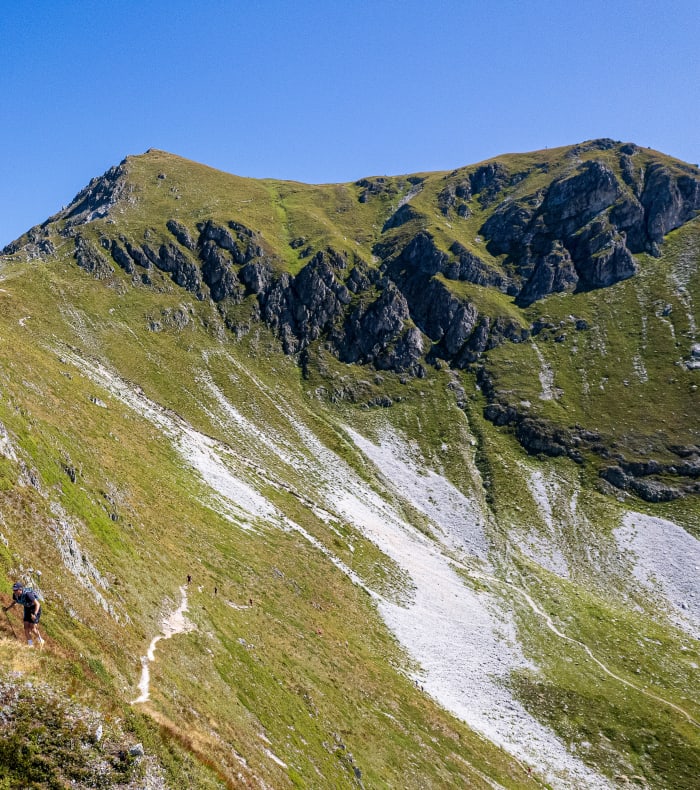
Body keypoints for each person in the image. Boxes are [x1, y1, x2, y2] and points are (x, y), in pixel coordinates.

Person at [4, 582, 44, 648]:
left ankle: (41, 640)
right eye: (13, 590)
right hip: (27, 609)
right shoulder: (15, 595)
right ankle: (30, 645)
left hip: (35, 609)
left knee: (32, 628)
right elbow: (15, 602)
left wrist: (35, 614)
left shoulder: (28, 594)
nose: (14, 591)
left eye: (16, 590)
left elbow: (38, 604)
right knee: (26, 627)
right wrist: (7, 608)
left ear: (20, 589)